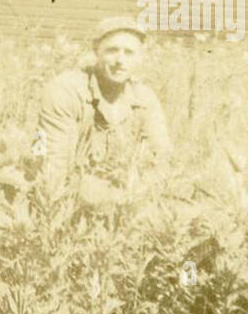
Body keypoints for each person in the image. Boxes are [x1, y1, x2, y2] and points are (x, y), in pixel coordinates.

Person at [35, 16, 170, 204]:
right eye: (112, 51)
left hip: (129, 192)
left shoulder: (145, 99)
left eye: (129, 53)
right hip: (74, 194)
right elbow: (53, 167)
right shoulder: (65, 90)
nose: (120, 60)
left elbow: (161, 160)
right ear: (96, 50)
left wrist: (137, 193)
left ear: (139, 58)